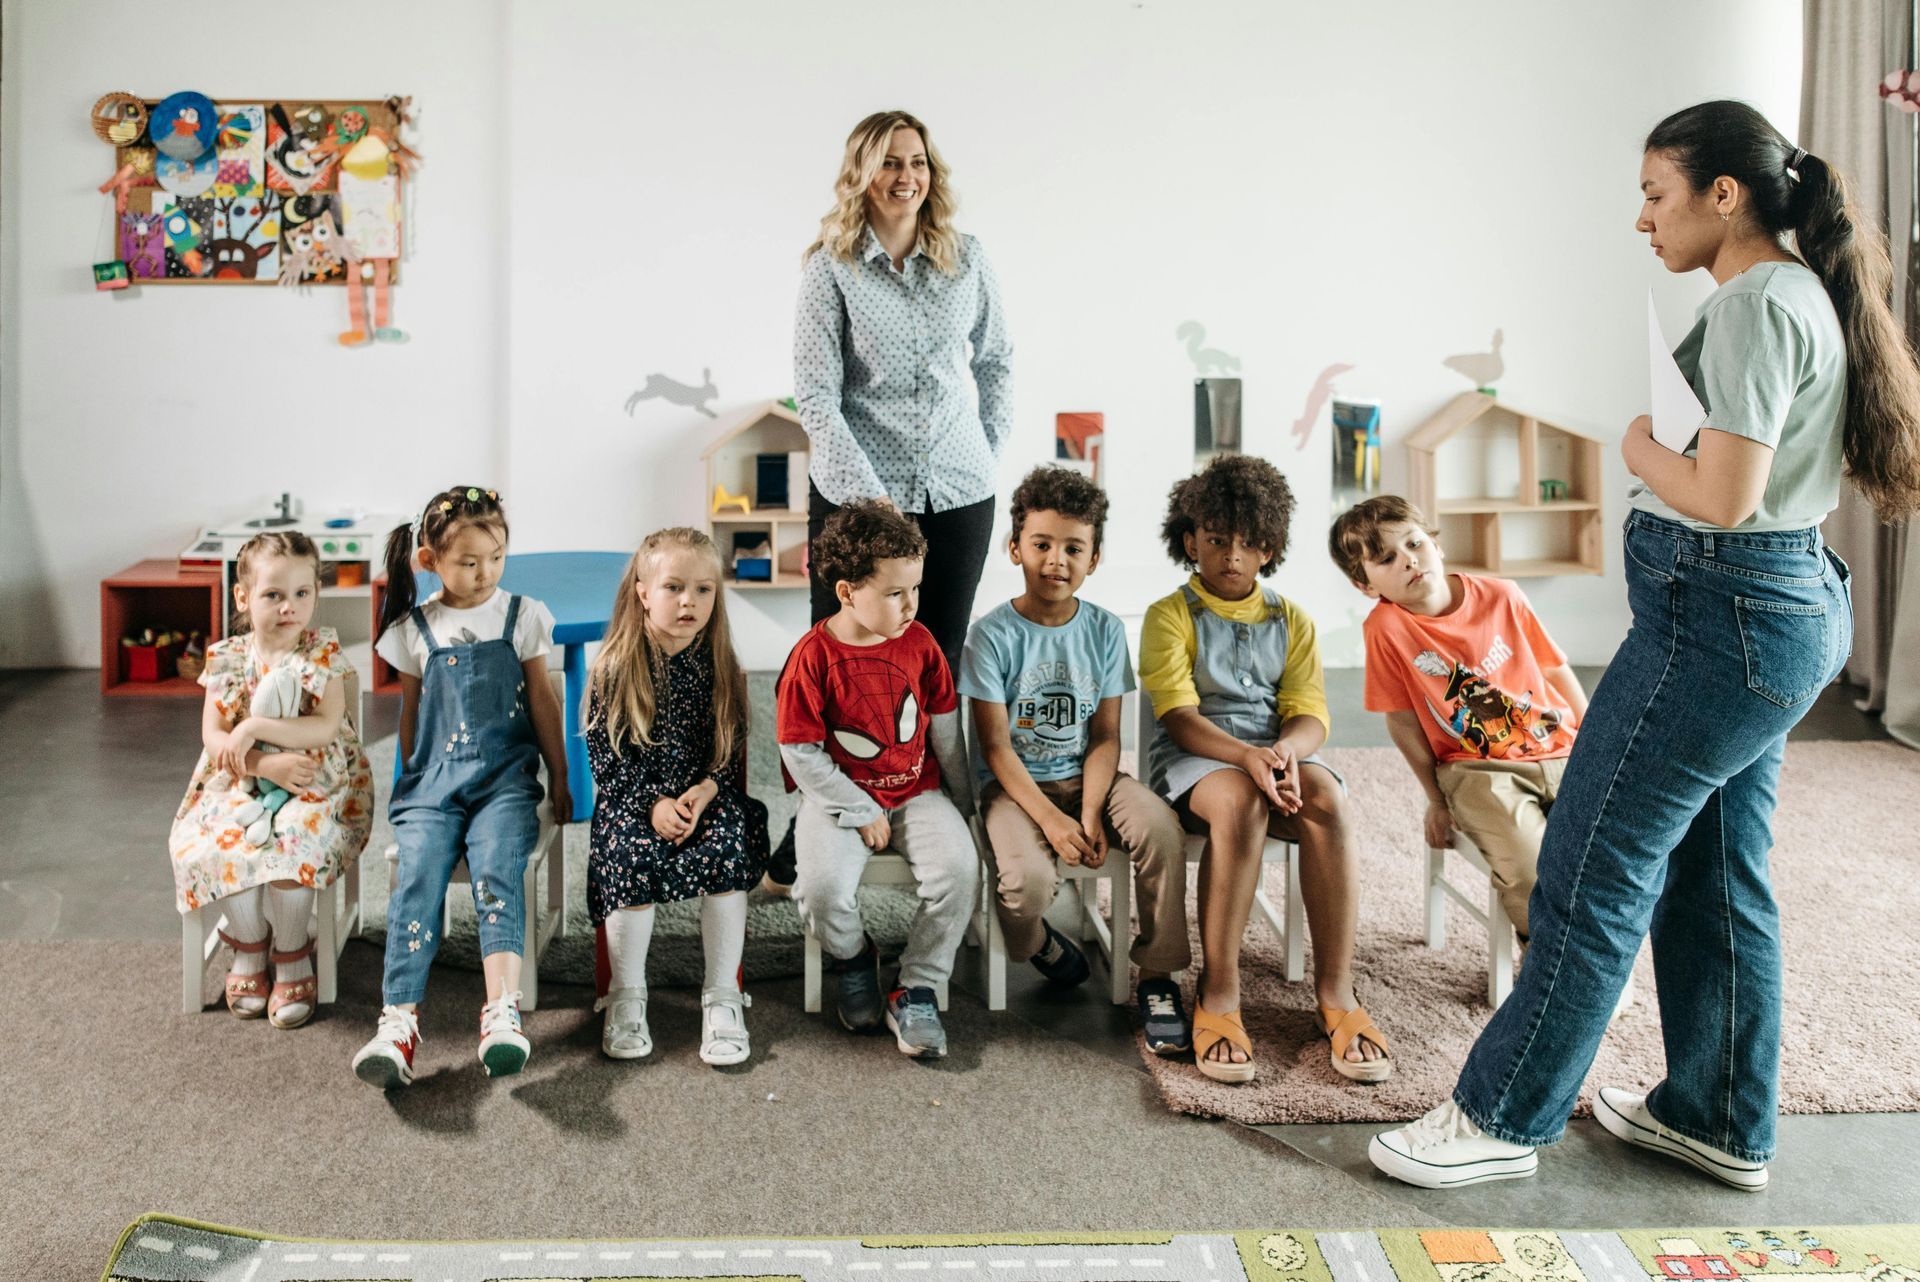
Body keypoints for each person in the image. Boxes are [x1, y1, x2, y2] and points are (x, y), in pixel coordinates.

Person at [1370, 100, 1920, 1192]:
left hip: (1722, 621)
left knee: (1590, 861)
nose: (1641, 221)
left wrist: (1632, 445)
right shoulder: (1794, 292)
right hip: (1769, 614)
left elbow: (1724, 492)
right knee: (1716, 869)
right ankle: (1716, 1115)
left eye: (1656, 195)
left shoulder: (1759, 306)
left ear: (1726, 195)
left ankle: (1500, 1113)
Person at [768, 108, 1012, 893]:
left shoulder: (967, 259)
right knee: (835, 662)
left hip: (957, 494)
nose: (905, 176)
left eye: (916, 161)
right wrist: (871, 502)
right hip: (856, 496)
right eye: (887, 163)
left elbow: (999, 363)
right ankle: (819, 818)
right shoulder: (830, 268)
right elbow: (816, 393)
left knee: (930, 656)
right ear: (861, 176)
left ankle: (928, 810)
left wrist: (985, 449)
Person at [1138, 454, 1390, 1084]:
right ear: (1190, 539)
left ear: (1269, 548)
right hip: (1199, 761)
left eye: (1248, 544)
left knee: (1328, 797)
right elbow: (1179, 717)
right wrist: (1247, 758)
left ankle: (1337, 993)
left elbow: (1309, 713)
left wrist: (1285, 754)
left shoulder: (1293, 620)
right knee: (1239, 803)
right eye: (1217, 540)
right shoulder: (1170, 615)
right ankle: (1218, 992)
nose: (1231, 556)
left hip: (1274, 755)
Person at [959, 465, 1193, 1051]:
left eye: (1073, 547)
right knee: (1027, 886)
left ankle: (1158, 976)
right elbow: (995, 748)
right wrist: (1052, 819)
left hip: (1092, 776)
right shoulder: (990, 636)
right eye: (1041, 544)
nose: (1056, 560)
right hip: (1015, 788)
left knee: (1162, 830)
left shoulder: (1107, 631)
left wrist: (1089, 813)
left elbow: (1106, 737)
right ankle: (1036, 944)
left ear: (1095, 557)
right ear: (1015, 548)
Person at [351, 486, 571, 1087]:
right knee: (418, 873)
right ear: (430, 562)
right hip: (432, 786)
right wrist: (408, 786)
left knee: (499, 866)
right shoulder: (413, 628)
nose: (484, 573)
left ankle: (503, 1014)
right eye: (468, 562)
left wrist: (561, 776)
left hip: (504, 783)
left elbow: (546, 704)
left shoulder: (522, 615)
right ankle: (398, 1021)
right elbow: (412, 714)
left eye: (495, 558)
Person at [1330, 495, 1589, 947]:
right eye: (1387, 559)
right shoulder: (1386, 630)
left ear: (1435, 544)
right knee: (1529, 868)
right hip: (1478, 768)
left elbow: (1554, 669)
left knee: (1605, 856)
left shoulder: (1503, 596)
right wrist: (1436, 799)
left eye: (1415, 544)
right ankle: (1551, 959)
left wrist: (1595, 744)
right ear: (1365, 586)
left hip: (1562, 748)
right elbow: (1404, 722)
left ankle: (1598, 955)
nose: (1409, 561)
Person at [776, 501, 977, 1058]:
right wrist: (857, 808)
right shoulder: (811, 658)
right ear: (846, 592)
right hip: (837, 795)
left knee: (960, 872)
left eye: (914, 589)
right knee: (819, 890)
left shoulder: (921, 644)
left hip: (917, 788)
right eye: (894, 594)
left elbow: (942, 727)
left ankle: (917, 987)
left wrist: (964, 801)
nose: (911, 605)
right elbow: (800, 752)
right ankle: (856, 957)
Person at [168, 531, 373, 1029]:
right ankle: (250, 946)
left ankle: (291, 949)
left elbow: (324, 726)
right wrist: (261, 764)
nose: (290, 607)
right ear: (243, 597)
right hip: (240, 783)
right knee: (220, 843)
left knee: (294, 843)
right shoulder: (228, 659)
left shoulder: (321, 651)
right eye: (273, 595)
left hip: (316, 780)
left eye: (302, 594)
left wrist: (255, 728)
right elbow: (215, 736)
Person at [585, 528, 768, 1066]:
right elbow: (607, 762)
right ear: (643, 591)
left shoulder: (719, 664)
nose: (690, 601)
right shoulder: (616, 668)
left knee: (730, 847)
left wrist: (705, 792)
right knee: (629, 857)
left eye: (704, 590)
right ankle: (626, 994)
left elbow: (726, 751)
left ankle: (722, 997)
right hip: (634, 800)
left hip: (702, 798)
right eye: (674, 587)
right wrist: (654, 806)